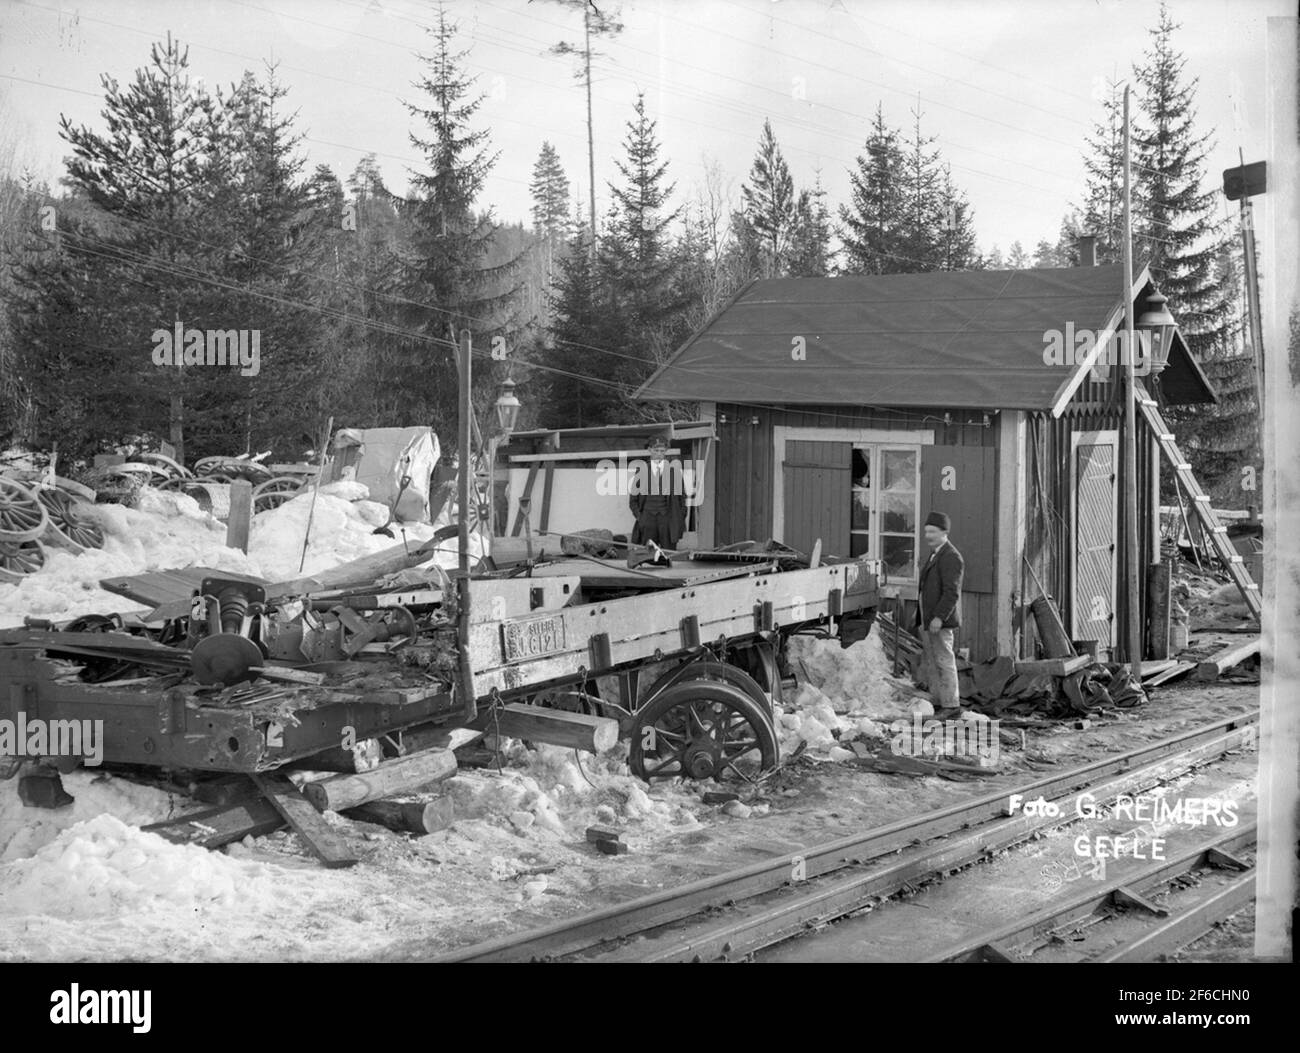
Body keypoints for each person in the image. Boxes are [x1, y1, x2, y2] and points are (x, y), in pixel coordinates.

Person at [916, 511, 964, 716]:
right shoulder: (936, 554)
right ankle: (939, 701)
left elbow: (952, 592)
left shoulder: (951, 557)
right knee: (933, 661)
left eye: (933, 532)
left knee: (944, 660)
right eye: (926, 531)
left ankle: (952, 705)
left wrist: (939, 617)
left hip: (939, 621)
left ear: (945, 532)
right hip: (930, 620)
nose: (928, 536)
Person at [629, 437, 686, 548]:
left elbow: (682, 500)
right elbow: (633, 500)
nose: (659, 454)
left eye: (662, 451)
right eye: (656, 451)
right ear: (650, 450)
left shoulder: (673, 472)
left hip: (667, 519)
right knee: (647, 554)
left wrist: (678, 519)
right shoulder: (641, 470)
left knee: (669, 554)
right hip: (647, 519)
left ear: (666, 452)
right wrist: (641, 518)